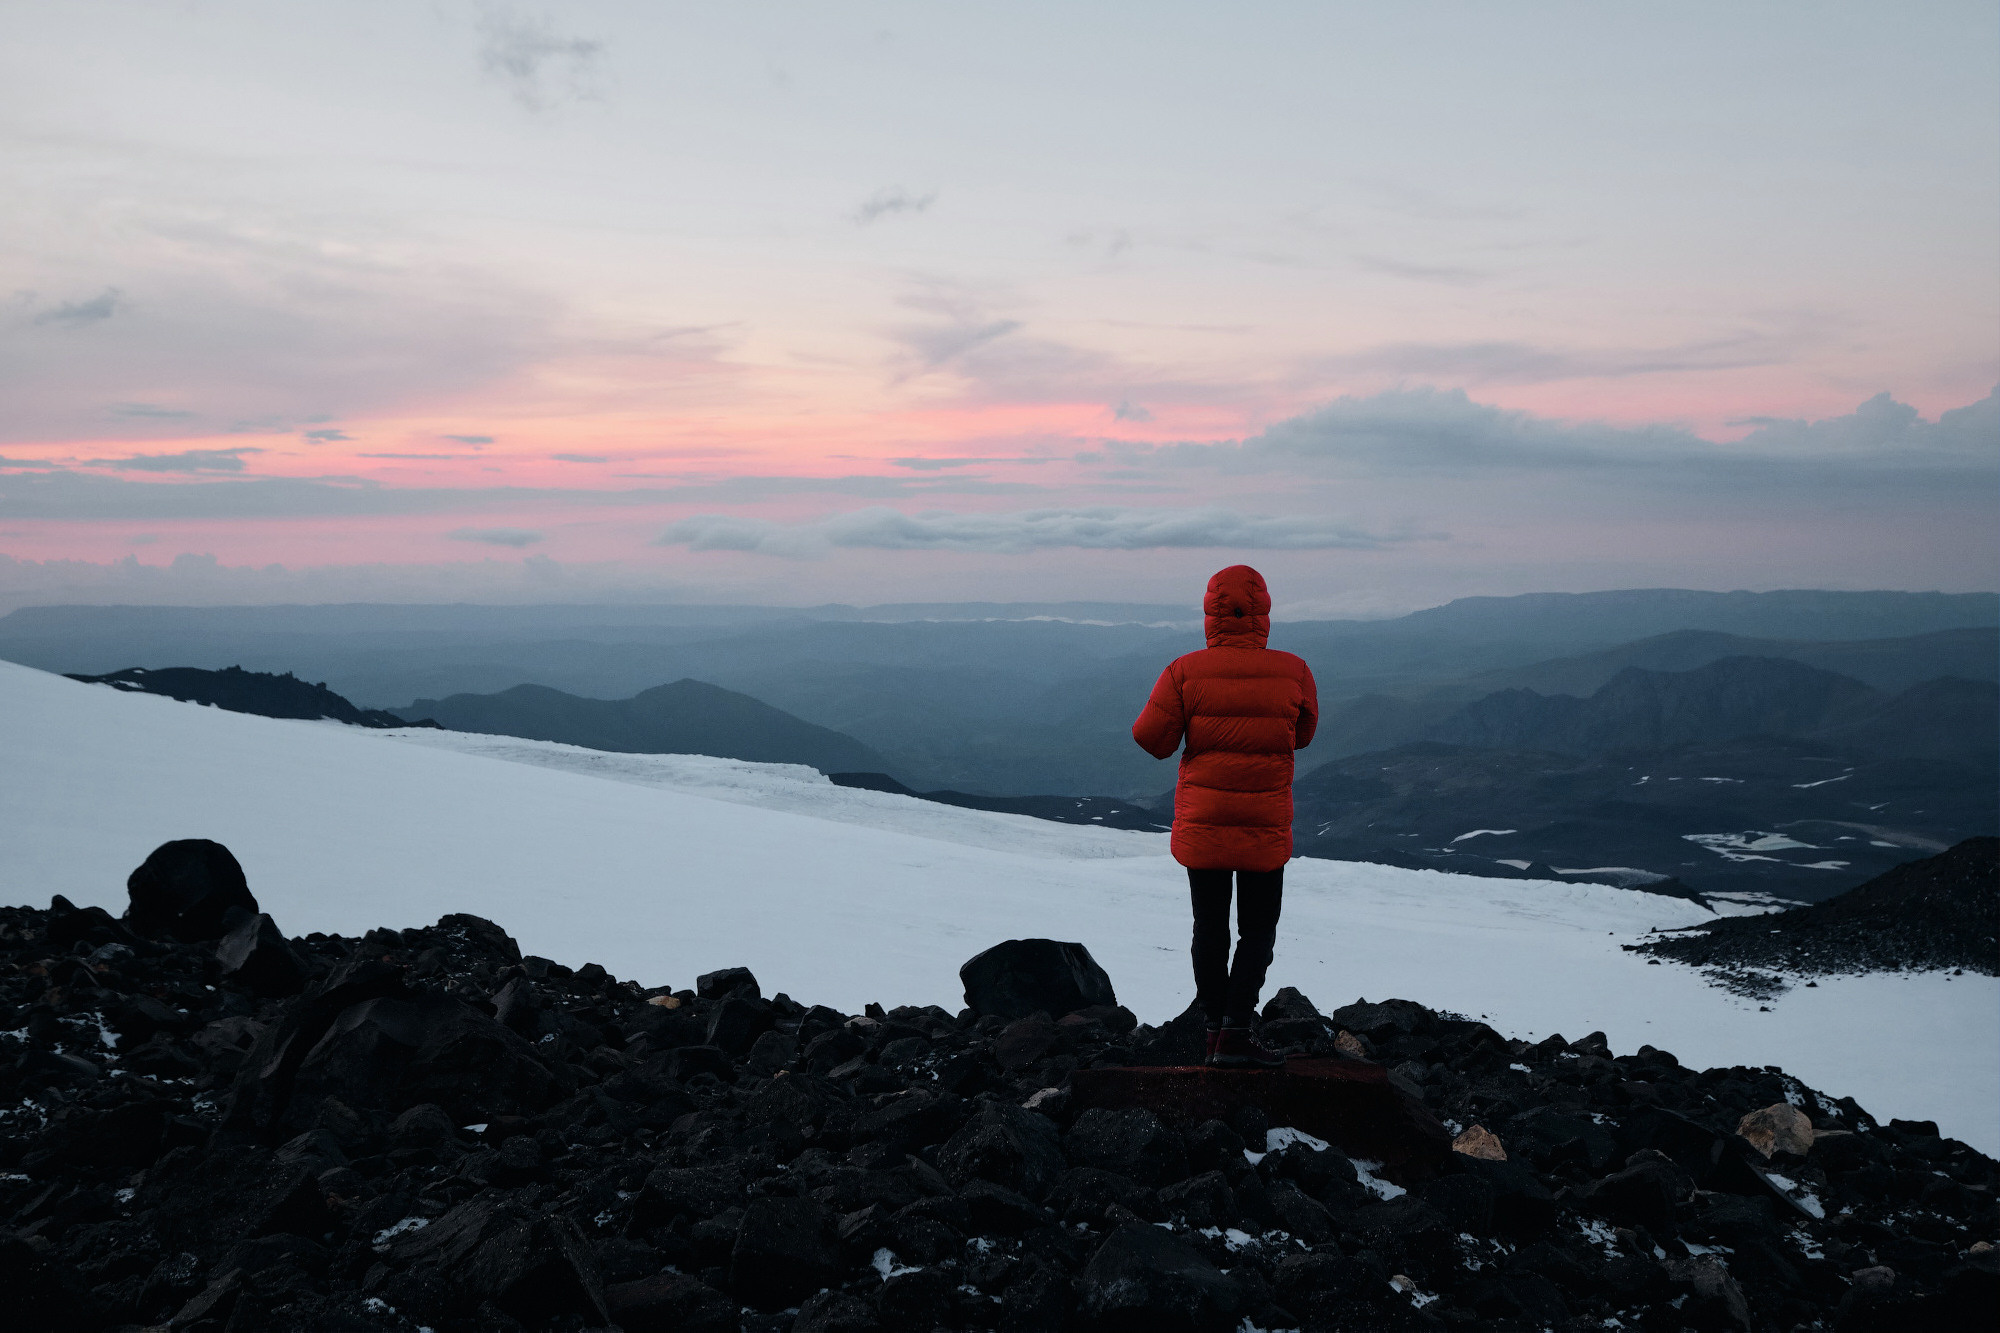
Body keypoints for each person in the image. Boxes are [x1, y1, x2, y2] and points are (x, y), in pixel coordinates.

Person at [1132, 565, 1318, 1068]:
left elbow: (1152, 740)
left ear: (1211, 614)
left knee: (1208, 926)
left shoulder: (1183, 671)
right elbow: (1302, 735)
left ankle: (1212, 1033)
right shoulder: (1294, 671)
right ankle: (1237, 1032)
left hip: (1206, 819)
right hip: (1263, 821)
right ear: (1263, 614)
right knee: (1258, 930)